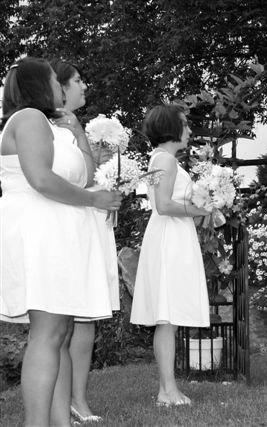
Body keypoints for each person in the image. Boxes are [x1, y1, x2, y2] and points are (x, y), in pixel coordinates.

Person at [0, 57, 122, 426]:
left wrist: (79, 133)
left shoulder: (54, 127)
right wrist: (94, 201)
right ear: (39, 84)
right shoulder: (28, 119)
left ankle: (60, 422)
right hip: (39, 234)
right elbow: (40, 178)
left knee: (57, 333)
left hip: (58, 234)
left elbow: (83, 175)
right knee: (48, 334)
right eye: (55, 79)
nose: (60, 86)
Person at [50, 59, 120, 423]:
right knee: (65, 321)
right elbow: (69, 179)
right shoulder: (46, 127)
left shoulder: (77, 128)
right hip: (70, 224)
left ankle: (76, 399)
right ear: (60, 86)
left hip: (92, 222)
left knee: (86, 317)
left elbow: (92, 176)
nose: (84, 85)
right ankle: (63, 401)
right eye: (78, 80)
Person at [130, 104, 212, 406]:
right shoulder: (165, 160)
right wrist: (200, 210)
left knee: (167, 317)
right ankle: (167, 391)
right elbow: (163, 205)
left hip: (168, 234)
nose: (189, 130)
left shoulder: (159, 158)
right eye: (185, 124)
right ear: (171, 127)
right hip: (170, 237)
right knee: (167, 316)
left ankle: (168, 388)